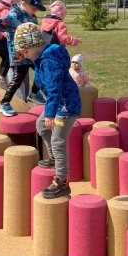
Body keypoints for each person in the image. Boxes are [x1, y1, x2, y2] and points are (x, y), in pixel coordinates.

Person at [14, 22, 81, 198]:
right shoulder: (41, 57)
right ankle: (53, 158)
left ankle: (62, 181)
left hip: (65, 106)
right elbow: (44, 82)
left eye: (25, 52)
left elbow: (54, 89)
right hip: (58, 103)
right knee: (41, 125)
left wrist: (50, 114)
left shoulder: (49, 61)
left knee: (58, 141)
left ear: (34, 46)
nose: (25, 56)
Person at [0, 0, 46, 117]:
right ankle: (4, 102)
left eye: (37, 8)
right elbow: (2, 22)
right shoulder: (14, 16)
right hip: (19, 53)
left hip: (32, 52)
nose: (35, 10)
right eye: (33, 7)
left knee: (43, 68)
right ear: (23, 3)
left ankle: (34, 93)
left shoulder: (32, 17)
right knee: (18, 78)